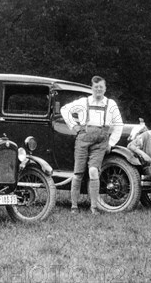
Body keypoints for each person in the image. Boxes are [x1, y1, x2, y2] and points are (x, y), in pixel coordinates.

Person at [60, 75, 123, 214]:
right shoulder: (84, 102)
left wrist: (111, 143)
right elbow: (64, 109)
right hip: (83, 139)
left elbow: (119, 124)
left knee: (93, 171)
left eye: (101, 87)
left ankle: (94, 207)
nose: (98, 89)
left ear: (105, 88)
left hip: (101, 141)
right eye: (96, 87)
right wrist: (74, 126)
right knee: (78, 173)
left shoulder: (111, 104)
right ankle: (74, 206)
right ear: (92, 88)